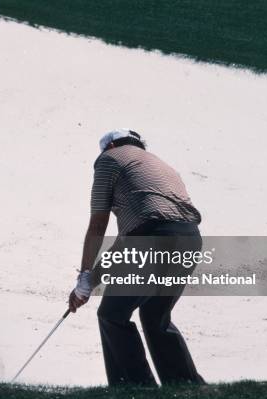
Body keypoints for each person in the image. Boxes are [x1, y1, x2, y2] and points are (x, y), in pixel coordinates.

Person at [68, 129, 205, 386]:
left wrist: (85, 278)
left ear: (109, 147)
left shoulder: (109, 160)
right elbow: (126, 244)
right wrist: (91, 279)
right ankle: (185, 384)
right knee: (156, 316)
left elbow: (98, 225)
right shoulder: (158, 163)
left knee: (113, 314)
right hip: (189, 238)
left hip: (150, 239)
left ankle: (135, 387)